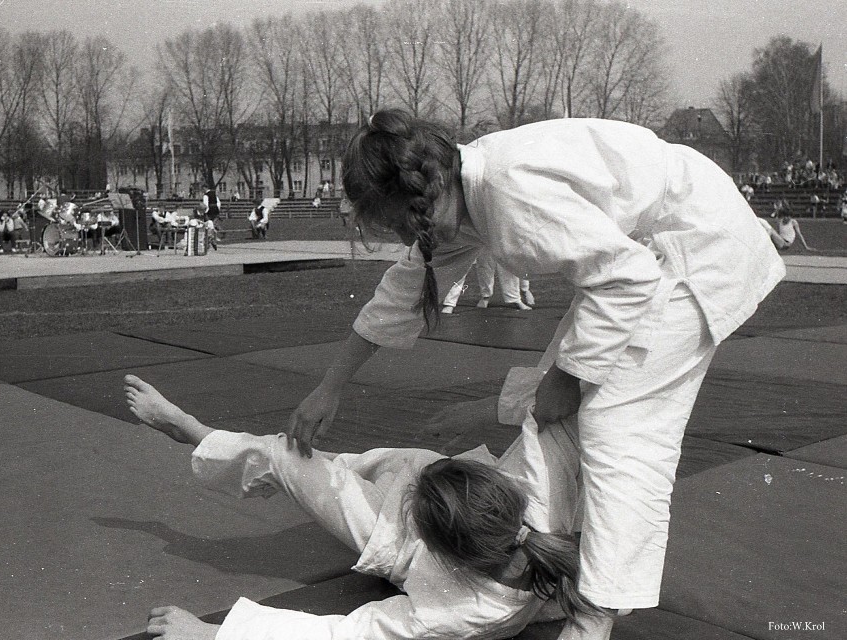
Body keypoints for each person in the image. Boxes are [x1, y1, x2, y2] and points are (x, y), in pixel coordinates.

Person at [286, 109, 785, 639]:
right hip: (653, 248)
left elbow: (627, 279)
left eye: (393, 223)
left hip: (697, 247)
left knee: (620, 429)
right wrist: (329, 386)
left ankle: (593, 618)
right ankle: (567, 563)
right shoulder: (455, 191)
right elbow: (405, 289)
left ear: (415, 198)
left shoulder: (508, 195)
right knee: (567, 388)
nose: (399, 235)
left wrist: (568, 380)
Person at [123, 374, 605, 640]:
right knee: (404, 462)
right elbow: (564, 400)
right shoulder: (541, 485)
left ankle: (194, 432)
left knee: (290, 457)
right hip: (448, 502)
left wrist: (212, 637)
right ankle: (362, 470)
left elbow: (344, 635)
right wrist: (484, 408)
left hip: (395, 546)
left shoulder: (458, 612)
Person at [442, 252, 533, 313]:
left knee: (507, 264)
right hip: (481, 231)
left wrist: (525, 288)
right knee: (483, 264)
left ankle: (516, 298)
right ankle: (451, 303)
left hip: (499, 230)